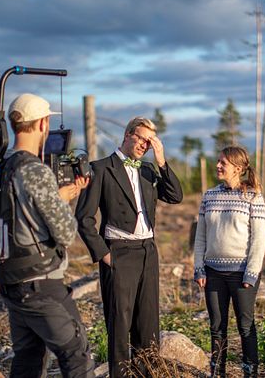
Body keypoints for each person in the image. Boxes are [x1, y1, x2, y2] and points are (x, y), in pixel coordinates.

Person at [0, 93, 94, 378]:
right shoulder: (35, 171)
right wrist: (61, 201)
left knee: (29, 358)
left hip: (12, 281)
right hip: (41, 283)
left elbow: (19, 219)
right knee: (76, 353)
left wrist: (57, 199)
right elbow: (67, 233)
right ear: (44, 124)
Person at [75, 117, 183, 377]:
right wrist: (105, 255)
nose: (145, 145)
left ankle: (146, 372)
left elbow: (175, 195)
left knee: (148, 323)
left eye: (150, 141)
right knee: (120, 323)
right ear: (127, 135)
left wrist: (161, 161)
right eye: (142, 138)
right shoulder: (101, 168)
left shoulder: (148, 170)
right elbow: (84, 218)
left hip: (148, 251)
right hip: (118, 252)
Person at [193, 146, 265, 378]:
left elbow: (259, 240)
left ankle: (250, 373)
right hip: (213, 272)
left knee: (245, 327)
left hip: (242, 274)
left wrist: (251, 273)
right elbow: (201, 236)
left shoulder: (253, 197)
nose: (218, 165)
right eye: (218, 161)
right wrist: (199, 268)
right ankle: (218, 373)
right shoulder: (209, 196)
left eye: (223, 162)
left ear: (238, 168)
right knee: (216, 328)